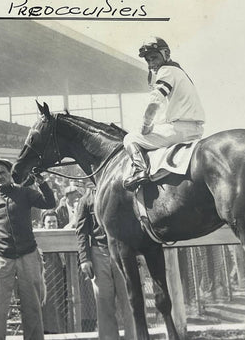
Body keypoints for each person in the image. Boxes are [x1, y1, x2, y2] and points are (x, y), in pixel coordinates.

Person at [0, 158, 56, 340]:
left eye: (3, 173)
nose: (0, 176)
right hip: (1, 257)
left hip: (28, 254)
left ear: (10, 175)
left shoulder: (25, 193)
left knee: (32, 305)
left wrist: (41, 182)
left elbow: (50, 203)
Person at [123, 37, 205, 191]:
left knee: (130, 137)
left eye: (154, 57)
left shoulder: (166, 70)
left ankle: (140, 172)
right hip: (193, 129)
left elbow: (154, 102)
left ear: (166, 53)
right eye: (148, 60)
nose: (151, 64)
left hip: (179, 130)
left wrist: (145, 125)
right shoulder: (179, 72)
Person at [75, 185, 134, 340]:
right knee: (104, 301)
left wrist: (137, 252)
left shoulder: (119, 191)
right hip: (98, 252)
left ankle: (134, 337)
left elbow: (133, 224)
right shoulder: (86, 200)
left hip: (122, 250)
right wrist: (84, 258)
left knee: (130, 299)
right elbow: (81, 231)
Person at [40, 210, 67, 334]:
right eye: (49, 222)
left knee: (59, 303)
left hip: (59, 276)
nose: (52, 224)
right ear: (44, 224)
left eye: (54, 222)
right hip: (45, 275)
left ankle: (60, 330)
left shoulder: (61, 236)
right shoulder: (40, 237)